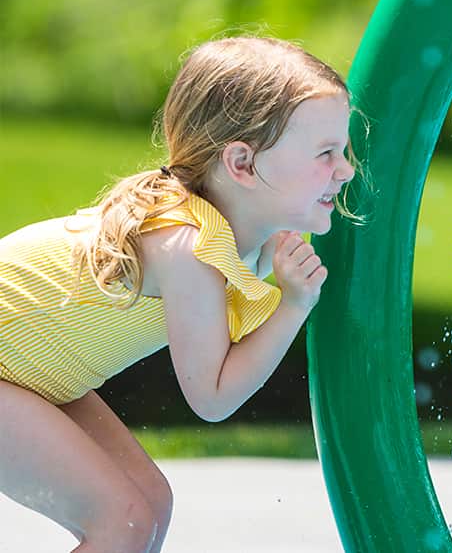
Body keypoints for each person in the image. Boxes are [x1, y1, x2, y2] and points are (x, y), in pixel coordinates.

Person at [0, 36, 357, 552]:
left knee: (148, 505)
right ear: (242, 164)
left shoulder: (245, 238)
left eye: (343, 151)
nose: (345, 170)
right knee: (123, 521)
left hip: (29, 376)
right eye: (325, 153)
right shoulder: (187, 248)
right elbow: (213, 397)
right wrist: (293, 304)